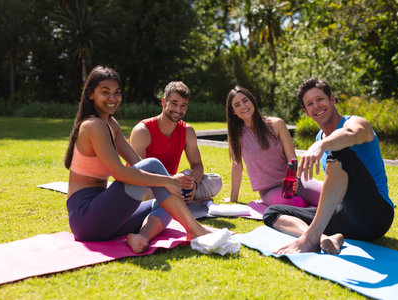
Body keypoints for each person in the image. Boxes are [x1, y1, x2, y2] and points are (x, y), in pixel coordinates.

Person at [64, 66, 213, 254]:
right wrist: (168, 180)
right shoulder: (93, 126)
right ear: (91, 94)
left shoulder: (110, 123)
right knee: (154, 165)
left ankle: (142, 236)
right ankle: (195, 230)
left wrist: (169, 185)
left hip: (106, 218)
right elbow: (120, 172)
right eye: (105, 92)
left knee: (165, 203)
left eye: (116, 93)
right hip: (86, 219)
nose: (113, 98)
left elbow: (136, 162)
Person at [263, 78, 394, 254]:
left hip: (376, 216)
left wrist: (322, 145)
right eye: (310, 104)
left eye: (320, 99)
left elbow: (350, 134)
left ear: (332, 99)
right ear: (306, 112)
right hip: (348, 217)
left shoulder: (356, 123)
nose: (316, 106)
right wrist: (299, 185)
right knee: (272, 213)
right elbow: (336, 181)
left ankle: (310, 239)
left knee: (339, 150)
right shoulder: (320, 137)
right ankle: (324, 238)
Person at [130, 81, 222, 205]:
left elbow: (197, 165)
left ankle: (179, 200)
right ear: (164, 102)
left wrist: (193, 184)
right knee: (145, 191)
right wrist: (171, 180)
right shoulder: (142, 131)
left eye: (183, 105)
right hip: (146, 185)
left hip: (174, 184)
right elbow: (139, 174)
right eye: (174, 104)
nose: (178, 110)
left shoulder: (187, 131)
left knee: (215, 181)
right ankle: (181, 202)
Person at [225, 86, 315, 207]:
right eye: (237, 105)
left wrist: (295, 180)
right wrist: (233, 199)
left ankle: (314, 204)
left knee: (325, 193)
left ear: (252, 101)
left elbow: (292, 158)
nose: (243, 106)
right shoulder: (237, 134)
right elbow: (237, 166)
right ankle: (312, 206)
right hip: (269, 189)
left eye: (245, 100)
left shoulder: (277, 124)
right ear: (233, 112)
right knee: (287, 202)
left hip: (294, 182)